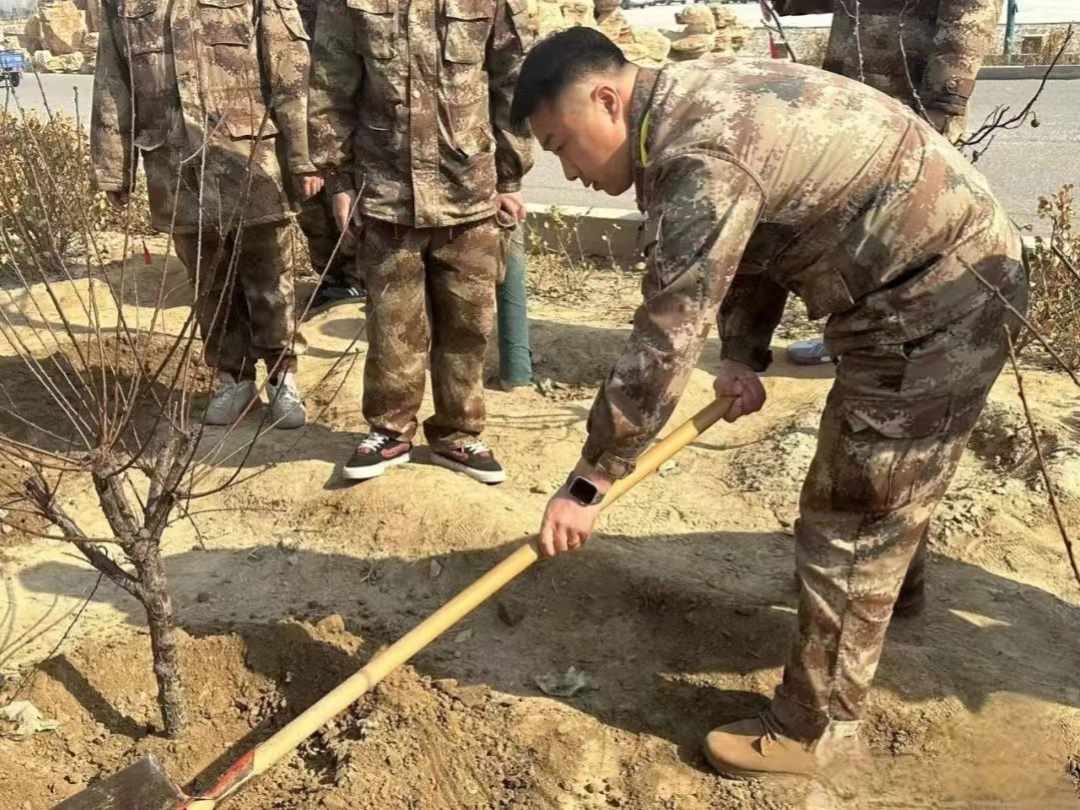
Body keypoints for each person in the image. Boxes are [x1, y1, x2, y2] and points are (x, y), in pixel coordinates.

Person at [512, 29, 1027, 779]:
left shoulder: (698, 152)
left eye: (562, 143)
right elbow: (762, 235)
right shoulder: (688, 104)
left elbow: (665, 334)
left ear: (606, 98)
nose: (567, 169)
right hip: (928, 280)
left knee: (851, 510)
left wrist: (593, 476)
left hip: (937, 299)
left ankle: (812, 728)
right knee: (876, 489)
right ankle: (890, 597)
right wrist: (744, 355)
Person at [308, 0, 534, 483]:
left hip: (469, 188)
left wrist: (510, 178)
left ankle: (458, 433)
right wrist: (339, 180)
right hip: (386, 189)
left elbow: (512, 80)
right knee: (392, 323)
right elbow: (330, 83)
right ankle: (390, 431)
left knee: (468, 322)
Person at [91, 0, 318, 428]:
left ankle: (282, 375)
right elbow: (112, 80)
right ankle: (232, 379)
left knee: (270, 277)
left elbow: (289, 66)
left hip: (250, 158)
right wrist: (111, 170)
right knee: (208, 282)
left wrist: (304, 156)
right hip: (175, 166)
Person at [774, 0, 999, 367]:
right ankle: (854, 336)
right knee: (854, 228)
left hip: (913, 102)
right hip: (854, 97)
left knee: (912, 230)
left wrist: (941, 109)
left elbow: (968, 16)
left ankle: (914, 341)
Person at [295, 0, 366, 316]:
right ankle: (334, 278)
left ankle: (354, 277)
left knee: (342, 194)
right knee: (308, 193)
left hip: (339, 95)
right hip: (300, 101)